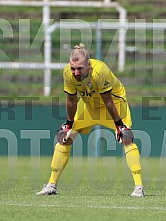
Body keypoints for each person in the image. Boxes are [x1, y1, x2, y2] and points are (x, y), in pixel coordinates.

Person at [36, 43, 144, 197]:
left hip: (113, 104)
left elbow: (108, 101)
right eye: (73, 68)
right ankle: (51, 185)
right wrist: (69, 123)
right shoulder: (68, 73)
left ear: (89, 64)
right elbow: (71, 100)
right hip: (89, 105)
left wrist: (119, 125)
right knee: (65, 138)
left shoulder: (100, 71)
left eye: (80, 68)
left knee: (126, 138)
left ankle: (139, 187)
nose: (76, 72)